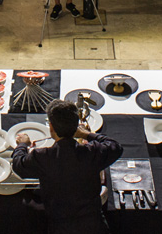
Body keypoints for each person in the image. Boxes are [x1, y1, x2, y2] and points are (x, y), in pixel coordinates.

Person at [11, 99, 123, 234]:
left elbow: (18, 165)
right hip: (93, 224)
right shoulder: (91, 152)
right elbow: (115, 147)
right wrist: (87, 134)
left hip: (60, 225)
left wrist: (22, 145)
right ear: (76, 126)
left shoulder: (43, 156)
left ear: (51, 127)